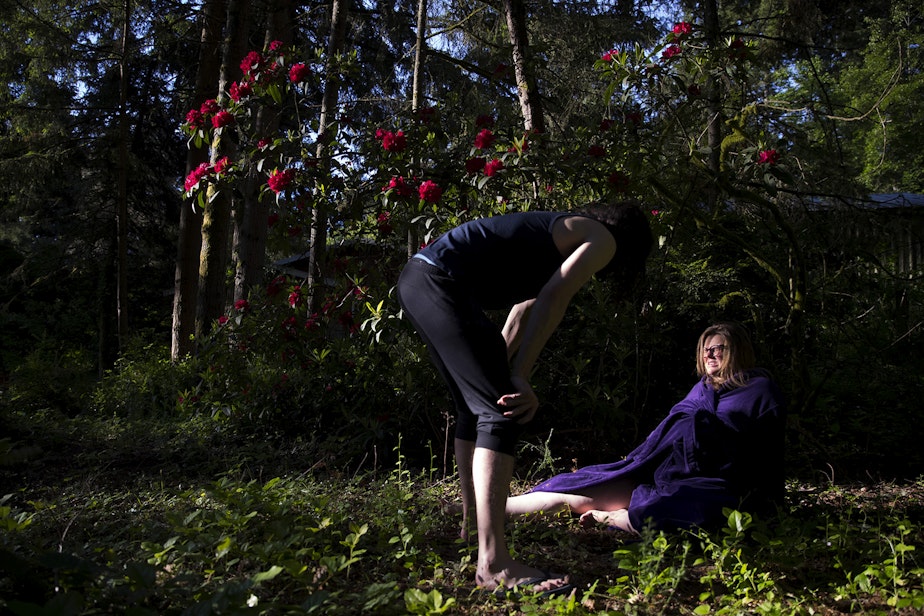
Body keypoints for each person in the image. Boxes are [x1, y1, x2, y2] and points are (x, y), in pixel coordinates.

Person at [396, 203, 653, 596]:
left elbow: (522, 311)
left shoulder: (554, 237)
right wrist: (518, 377)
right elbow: (556, 295)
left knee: (476, 407)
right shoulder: (601, 239)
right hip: (440, 282)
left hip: (420, 278)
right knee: (503, 411)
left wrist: (498, 367)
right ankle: (493, 564)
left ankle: (471, 525)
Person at [504, 322, 786, 534]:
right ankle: (475, 509)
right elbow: (668, 433)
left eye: (718, 349)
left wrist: (766, 502)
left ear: (736, 351)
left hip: (715, 482)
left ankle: (615, 518)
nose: (710, 355)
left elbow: (766, 453)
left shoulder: (760, 390)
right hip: (656, 469)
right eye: (705, 350)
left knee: (682, 511)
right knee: (578, 492)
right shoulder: (700, 390)